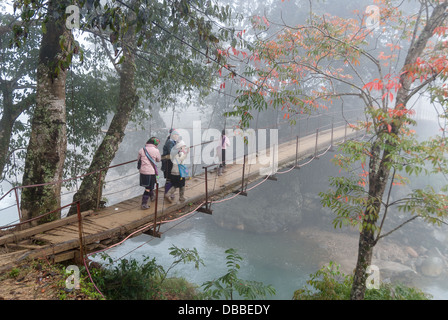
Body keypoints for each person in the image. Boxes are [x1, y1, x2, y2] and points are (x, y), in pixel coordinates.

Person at [138, 137, 161, 209]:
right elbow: (158, 160)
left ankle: (152, 197)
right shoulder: (156, 150)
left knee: (148, 186)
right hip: (151, 171)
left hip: (143, 171)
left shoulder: (142, 150)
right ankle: (144, 204)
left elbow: (138, 160)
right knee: (148, 188)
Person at [161, 129, 179, 199]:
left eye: (177, 135)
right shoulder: (170, 142)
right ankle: (167, 193)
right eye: (175, 134)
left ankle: (169, 193)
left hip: (171, 162)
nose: (177, 136)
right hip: (168, 162)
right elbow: (171, 152)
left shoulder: (173, 141)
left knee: (171, 178)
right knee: (169, 178)